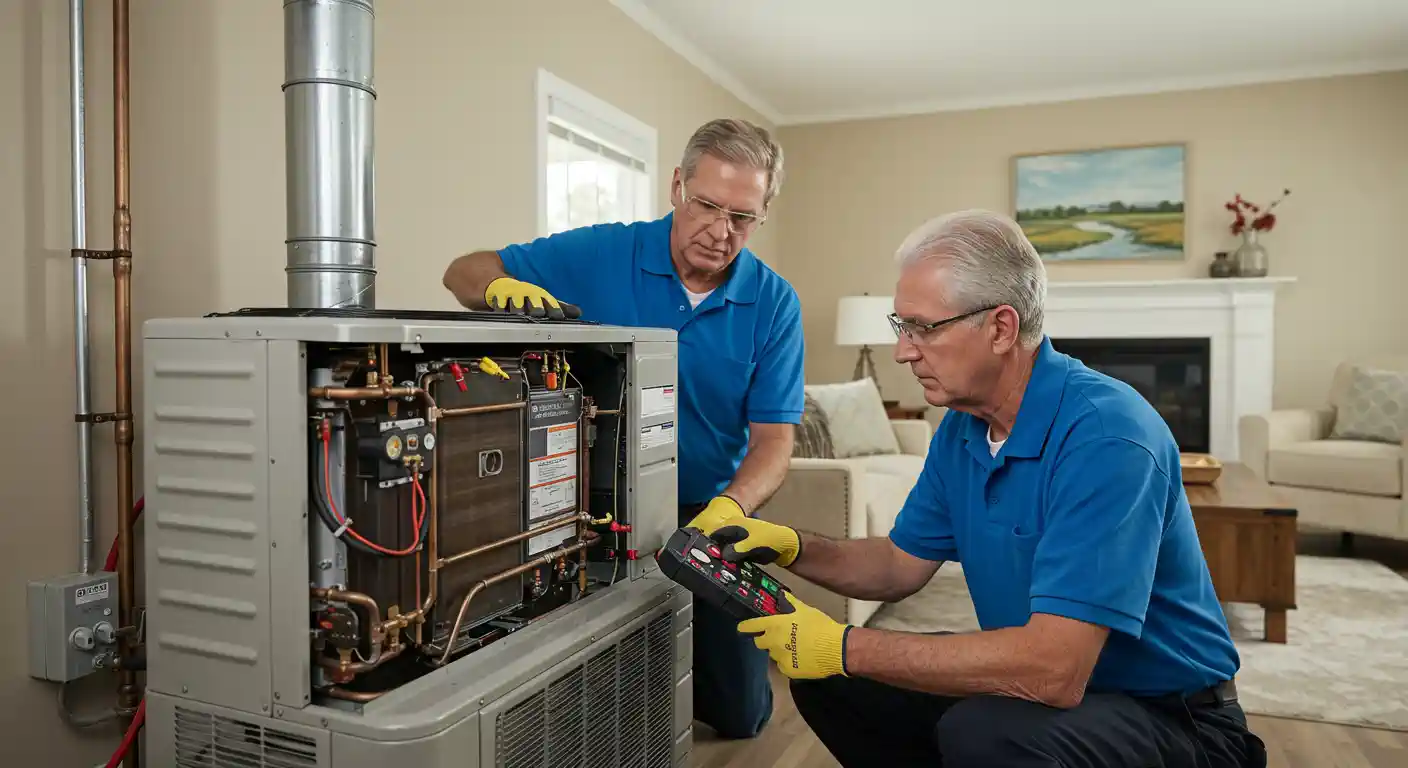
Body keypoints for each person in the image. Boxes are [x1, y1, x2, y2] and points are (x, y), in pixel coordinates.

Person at [701, 209, 1268, 766]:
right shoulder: (963, 428)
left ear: (1000, 328)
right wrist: (796, 547)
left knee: (988, 733)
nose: (903, 350)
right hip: (1068, 696)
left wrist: (845, 645)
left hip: (1178, 721)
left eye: (924, 327)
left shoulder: (1107, 436)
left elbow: (1055, 670)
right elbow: (899, 565)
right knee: (832, 682)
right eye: (902, 326)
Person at [441, 118, 804, 739]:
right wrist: (501, 288)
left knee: (743, 716)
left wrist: (727, 510)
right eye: (707, 205)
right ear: (676, 186)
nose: (720, 233)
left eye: (741, 217)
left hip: (706, 511)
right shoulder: (603, 252)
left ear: (762, 213)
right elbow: (462, 271)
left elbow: (775, 442)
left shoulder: (774, 303)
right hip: (587, 506)